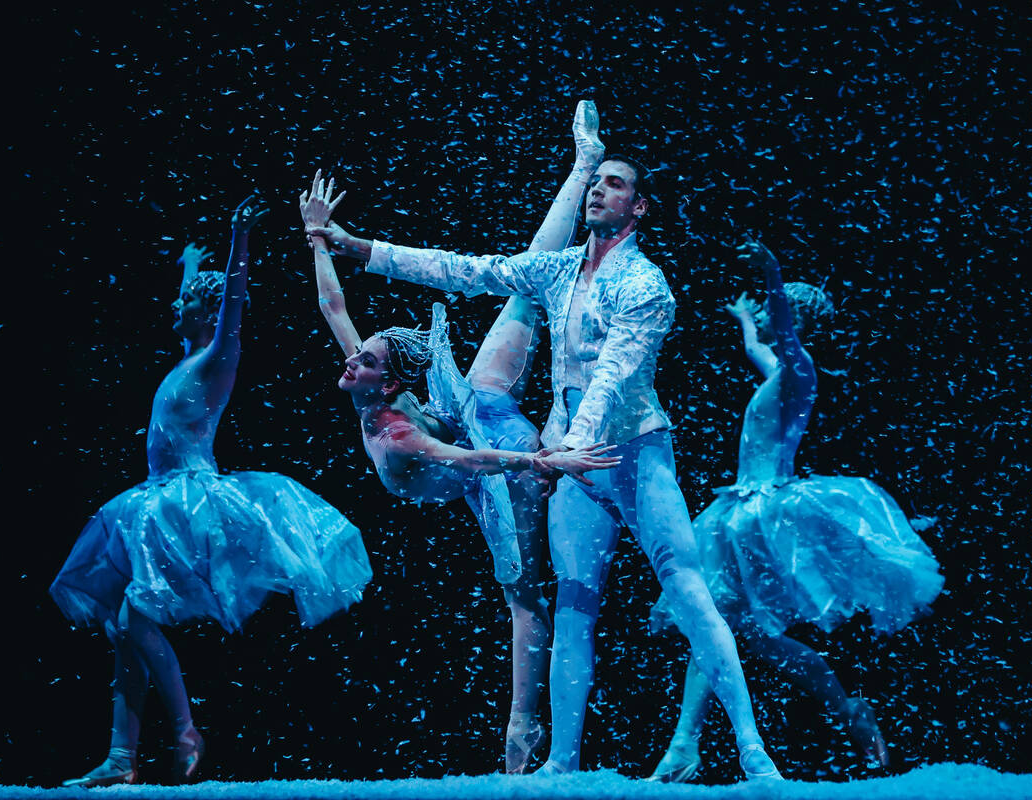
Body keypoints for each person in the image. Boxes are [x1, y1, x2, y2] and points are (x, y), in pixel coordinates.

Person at [306, 125, 785, 780]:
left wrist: (564, 448)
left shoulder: (646, 286)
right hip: (565, 458)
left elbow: (613, 378)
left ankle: (752, 748)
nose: (599, 191)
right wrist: (355, 246)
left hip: (631, 451)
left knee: (686, 583)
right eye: (595, 180)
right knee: (574, 602)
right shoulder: (559, 271)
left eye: (612, 182)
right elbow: (463, 269)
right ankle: (562, 760)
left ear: (638, 206)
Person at [299, 102, 620, 774]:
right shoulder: (376, 395)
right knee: (530, 288)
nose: (350, 358)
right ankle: (582, 175)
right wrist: (317, 235)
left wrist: (540, 458)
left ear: (385, 387)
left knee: (523, 596)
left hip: (500, 460)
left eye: (364, 359)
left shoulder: (395, 435)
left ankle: (520, 736)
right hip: (475, 419)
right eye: (360, 356)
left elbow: (471, 457)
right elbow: (334, 306)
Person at [50, 197, 375, 788]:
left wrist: (238, 242)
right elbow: (201, 310)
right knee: (125, 630)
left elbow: (230, 308)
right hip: (154, 500)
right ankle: (122, 758)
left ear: (207, 311)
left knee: (137, 620)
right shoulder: (188, 357)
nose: (175, 306)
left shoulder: (219, 356)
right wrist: (188, 269)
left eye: (185, 301)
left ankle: (183, 732)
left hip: (188, 505)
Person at [647, 238, 945, 782]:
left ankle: (683, 747)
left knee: (716, 623)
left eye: (766, 308)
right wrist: (743, 317)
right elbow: (761, 350)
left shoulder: (801, 367)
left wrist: (773, 274)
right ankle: (848, 712)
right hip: (739, 513)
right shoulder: (778, 375)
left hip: (764, 515)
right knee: (740, 634)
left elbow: (781, 337)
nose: (761, 312)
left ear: (795, 319)